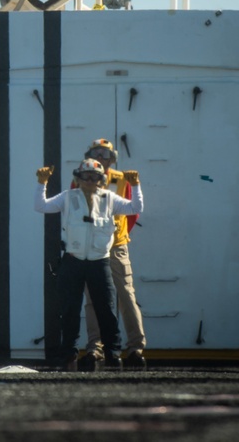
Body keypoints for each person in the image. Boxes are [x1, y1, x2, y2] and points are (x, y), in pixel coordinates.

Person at [34, 158, 143, 372]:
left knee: (107, 311)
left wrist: (136, 186)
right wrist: (41, 183)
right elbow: (41, 206)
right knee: (70, 311)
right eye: (86, 176)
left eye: (95, 177)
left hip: (99, 262)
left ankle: (113, 354)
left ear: (102, 180)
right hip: (73, 262)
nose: (90, 181)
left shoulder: (110, 199)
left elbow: (135, 207)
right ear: (78, 178)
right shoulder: (68, 197)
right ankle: (68, 356)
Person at [78, 139, 147, 371]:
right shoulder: (79, 178)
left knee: (126, 295)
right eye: (96, 153)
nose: (101, 158)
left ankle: (136, 347)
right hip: (91, 249)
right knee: (92, 301)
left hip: (116, 246)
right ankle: (94, 348)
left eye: (105, 154)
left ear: (112, 158)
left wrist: (119, 235)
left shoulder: (122, 179)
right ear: (89, 155)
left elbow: (131, 213)